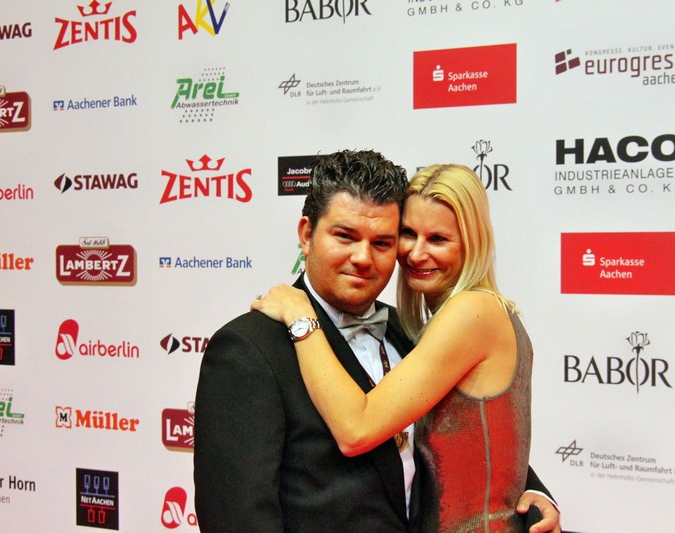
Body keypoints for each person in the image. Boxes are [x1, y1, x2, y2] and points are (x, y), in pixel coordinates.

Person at [194, 151, 560, 532]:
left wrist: (530, 493)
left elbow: (468, 439)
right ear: (306, 235)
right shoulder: (249, 350)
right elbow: (236, 516)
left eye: (383, 242)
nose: (363, 258)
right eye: (345, 236)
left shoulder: (407, 329)